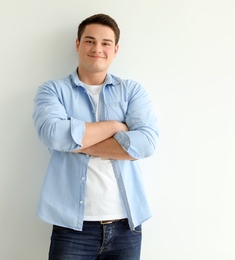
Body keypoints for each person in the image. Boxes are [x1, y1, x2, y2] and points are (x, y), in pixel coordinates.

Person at [32, 13, 159, 259]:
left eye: (105, 43)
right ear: (78, 44)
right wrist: (115, 126)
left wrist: (76, 142)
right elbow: (53, 135)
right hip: (72, 228)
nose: (97, 48)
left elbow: (147, 144)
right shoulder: (52, 91)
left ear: (115, 50)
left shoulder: (132, 91)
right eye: (90, 41)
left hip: (127, 225)